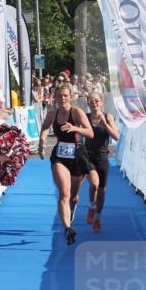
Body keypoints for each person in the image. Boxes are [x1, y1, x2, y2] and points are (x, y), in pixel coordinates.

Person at [38, 83, 92, 244]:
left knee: (74, 196)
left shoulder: (76, 112)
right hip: (60, 156)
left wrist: (75, 128)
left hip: (78, 156)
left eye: (65, 95)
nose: (62, 98)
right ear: (54, 97)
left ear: (71, 97)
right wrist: (42, 141)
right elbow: (45, 127)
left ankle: (73, 205)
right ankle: (68, 229)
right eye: (59, 95)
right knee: (64, 193)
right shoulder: (52, 114)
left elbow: (90, 132)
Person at [83, 91, 119, 234]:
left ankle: (97, 219)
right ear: (88, 103)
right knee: (94, 184)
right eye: (91, 101)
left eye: (97, 100)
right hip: (88, 156)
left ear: (101, 102)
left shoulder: (107, 116)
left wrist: (106, 124)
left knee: (102, 191)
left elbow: (116, 136)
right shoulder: (85, 118)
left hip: (103, 157)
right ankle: (92, 206)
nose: (94, 103)